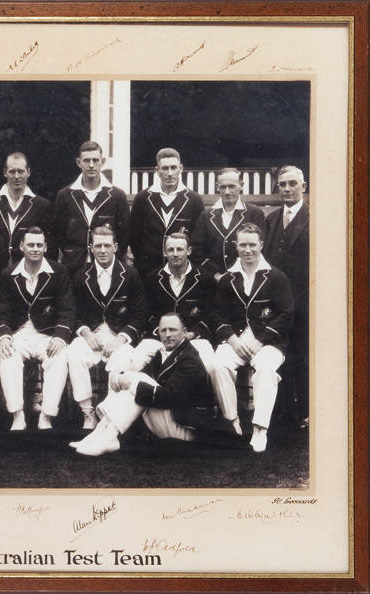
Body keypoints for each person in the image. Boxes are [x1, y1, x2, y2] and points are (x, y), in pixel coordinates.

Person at [69, 313, 210, 456]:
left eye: (172, 330)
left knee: (136, 382)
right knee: (133, 379)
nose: (167, 334)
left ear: (184, 332)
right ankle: (100, 433)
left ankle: (110, 435)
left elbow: (169, 397)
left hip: (185, 429)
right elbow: (143, 375)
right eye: (163, 330)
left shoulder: (189, 359)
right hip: (168, 418)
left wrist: (129, 382)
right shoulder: (164, 352)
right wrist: (121, 377)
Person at [209, 223, 294, 452]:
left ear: (261, 245)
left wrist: (261, 340)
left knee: (266, 370)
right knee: (217, 365)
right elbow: (218, 315)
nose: (247, 250)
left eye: (252, 245)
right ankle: (232, 421)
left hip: (267, 342)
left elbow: (286, 314)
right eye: (243, 245)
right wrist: (233, 341)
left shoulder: (276, 277)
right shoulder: (227, 279)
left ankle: (259, 429)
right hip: (235, 340)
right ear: (236, 246)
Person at [0, 227, 75, 430]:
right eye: (31, 244)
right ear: (22, 246)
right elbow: (2, 312)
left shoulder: (58, 272)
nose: (35, 249)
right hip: (18, 334)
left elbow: (67, 310)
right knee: (7, 357)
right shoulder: (8, 274)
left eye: (40, 245)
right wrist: (4, 337)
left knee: (59, 358)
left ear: (46, 247)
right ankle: (17, 414)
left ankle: (46, 416)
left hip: (47, 334)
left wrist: (60, 337)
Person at [67, 226, 147, 429]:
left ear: (115, 247)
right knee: (74, 353)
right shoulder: (80, 275)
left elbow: (139, 316)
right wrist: (86, 333)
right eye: (98, 246)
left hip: (119, 337)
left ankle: (110, 416)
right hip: (91, 336)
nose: (102, 250)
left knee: (122, 360)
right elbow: (73, 313)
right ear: (90, 248)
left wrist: (120, 339)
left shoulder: (130, 275)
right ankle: (88, 412)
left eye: (107, 245)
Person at [263, 165, 310, 428]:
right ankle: (281, 412)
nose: (288, 189)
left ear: (304, 185)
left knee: (302, 356)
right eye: (283, 184)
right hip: (277, 304)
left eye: (293, 183)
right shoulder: (270, 220)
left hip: (305, 301)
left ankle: (305, 411)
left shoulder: (315, 216)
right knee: (278, 355)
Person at [131, 232, 216, 372]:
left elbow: (209, 315)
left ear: (189, 251)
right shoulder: (152, 279)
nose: (175, 254)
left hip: (194, 339)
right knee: (134, 361)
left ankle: (206, 395)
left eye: (180, 249)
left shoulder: (205, 279)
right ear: (164, 252)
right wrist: (164, 334)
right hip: (159, 338)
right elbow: (147, 314)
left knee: (209, 365)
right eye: (171, 249)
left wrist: (191, 334)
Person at [53, 141, 130, 274]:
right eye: (86, 160)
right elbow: (59, 234)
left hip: (107, 267)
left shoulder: (117, 196)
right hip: (74, 267)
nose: (91, 165)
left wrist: (112, 259)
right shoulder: (65, 195)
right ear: (78, 162)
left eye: (95, 160)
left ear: (103, 161)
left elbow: (124, 235)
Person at [0, 152, 55, 274]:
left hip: (28, 273)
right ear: (5, 172)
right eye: (12, 171)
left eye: (21, 171)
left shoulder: (41, 205)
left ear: (28, 172)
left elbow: (50, 248)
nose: (16, 176)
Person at [129, 147, 204, 279]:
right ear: (157, 170)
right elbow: (134, 237)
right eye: (165, 168)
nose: (169, 173)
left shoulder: (194, 199)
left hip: (181, 271)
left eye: (173, 168)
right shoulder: (143, 198)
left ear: (181, 168)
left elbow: (198, 239)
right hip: (148, 270)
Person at [191, 168, 267, 279]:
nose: (227, 192)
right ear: (217, 187)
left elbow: (260, 248)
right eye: (223, 187)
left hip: (246, 278)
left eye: (231, 186)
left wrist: (235, 273)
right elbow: (196, 251)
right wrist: (216, 274)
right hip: (213, 279)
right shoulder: (205, 216)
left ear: (241, 185)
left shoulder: (255, 213)